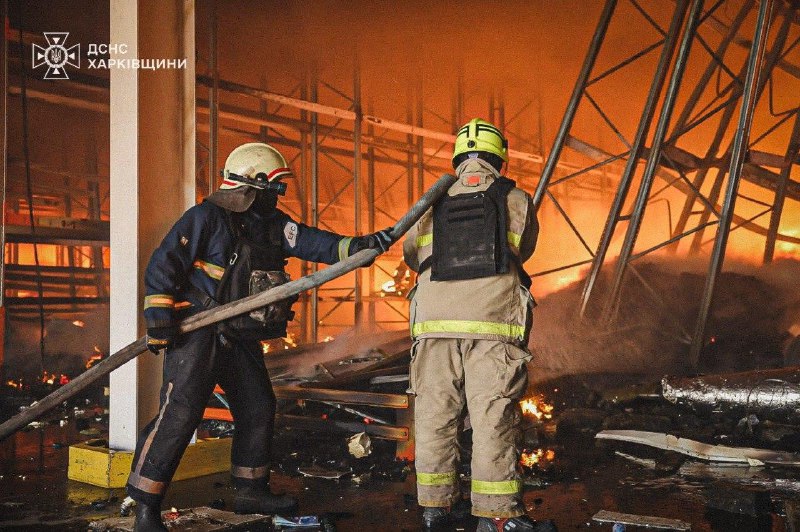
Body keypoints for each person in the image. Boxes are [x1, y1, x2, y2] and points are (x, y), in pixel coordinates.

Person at [127, 142, 394, 531]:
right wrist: (158, 318)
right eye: (275, 187)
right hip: (199, 333)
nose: (278, 196)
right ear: (252, 184)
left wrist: (359, 247)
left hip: (240, 336)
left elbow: (314, 241)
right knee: (180, 414)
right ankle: (145, 506)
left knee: (257, 407)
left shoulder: (273, 225)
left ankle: (251, 490)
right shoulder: (206, 218)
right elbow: (164, 264)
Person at [403, 119, 554, 532]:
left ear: (458, 157)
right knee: (493, 419)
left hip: (433, 327)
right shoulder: (516, 198)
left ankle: (434, 509)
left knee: (435, 415)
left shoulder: (430, 201)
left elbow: (413, 255)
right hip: (492, 327)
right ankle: (496, 516)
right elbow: (522, 249)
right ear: (498, 158)